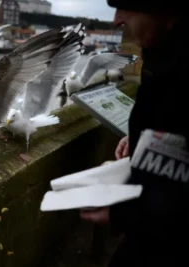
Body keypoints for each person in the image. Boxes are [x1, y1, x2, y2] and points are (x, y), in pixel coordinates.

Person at [79, 1, 188, 266]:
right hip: (150, 236)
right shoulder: (163, 51)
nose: (116, 19)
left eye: (126, 7)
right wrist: (144, 137)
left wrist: (123, 213)